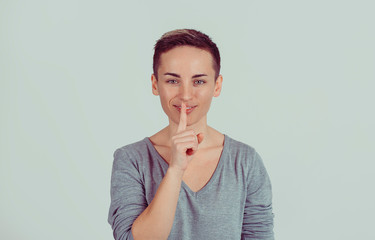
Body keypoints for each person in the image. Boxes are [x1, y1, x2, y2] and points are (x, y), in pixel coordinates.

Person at [108, 29, 274, 240]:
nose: (185, 95)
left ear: (217, 85)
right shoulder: (131, 159)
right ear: (154, 84)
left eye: (199, 81)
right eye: (172, 81)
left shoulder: (245, 161)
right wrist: (176, 169)